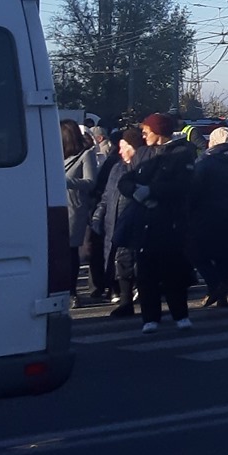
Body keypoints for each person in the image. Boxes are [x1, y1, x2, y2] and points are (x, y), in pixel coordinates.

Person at [120, 113, 198, 333]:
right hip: (144, 221)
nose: (143, 135)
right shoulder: (143, 153)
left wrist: (153, 192)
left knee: (173, 270)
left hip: (170, 222)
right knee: (146, 273)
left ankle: (180, 314)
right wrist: (134, 191)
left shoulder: (182, 153)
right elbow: (126, 179)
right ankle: (150, 317)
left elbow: (183, 185)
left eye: (146, 131)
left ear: (158, 132)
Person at [188, 126, 228, 308]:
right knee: (225, 256)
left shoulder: (203, 163)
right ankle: (221, 294)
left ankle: (215, 285)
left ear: (212, 143)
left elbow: (194, 192)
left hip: (206, 217)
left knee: (198, 253)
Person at [91, 128, 144, 317]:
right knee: (117, 261)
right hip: (112, 222)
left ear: (134, 148)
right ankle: (123, 299)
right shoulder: (116, 167)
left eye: (124, 147)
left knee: (129, 261)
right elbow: (107, 195)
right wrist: (98, 215)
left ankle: (129, 301)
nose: (120, 151)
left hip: (132, 222)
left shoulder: (142, 168)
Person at [60, 120, 104, 301]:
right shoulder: (57, 155)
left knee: (70, 251)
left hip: (73, 207)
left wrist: (66, 182)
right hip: (57, 206)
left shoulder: (86, 155)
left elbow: (90, 182)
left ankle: (71, 291)